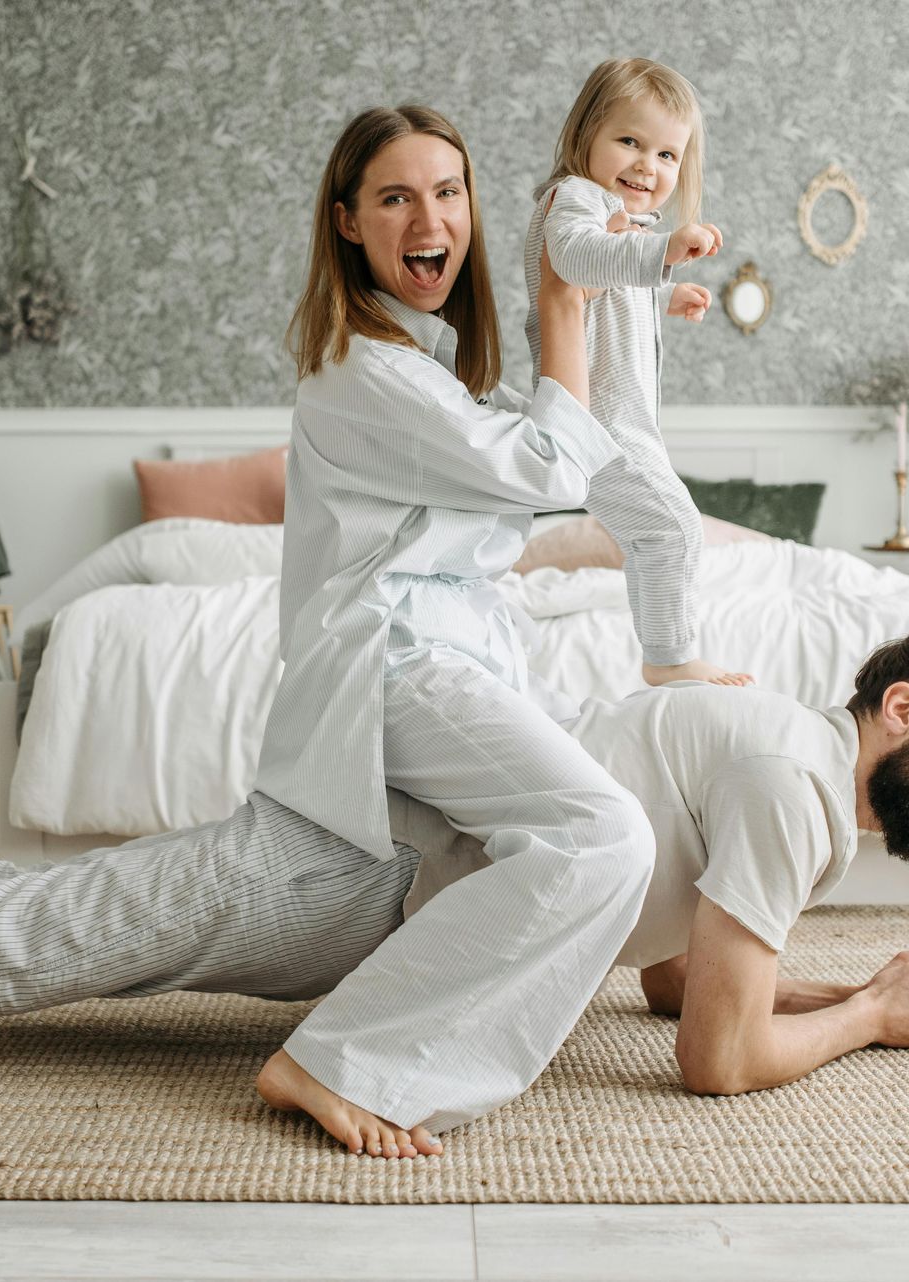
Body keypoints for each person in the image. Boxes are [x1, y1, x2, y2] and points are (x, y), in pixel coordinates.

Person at [0, 627, 909, 1154]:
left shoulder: (784, 770)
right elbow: (714, 1061)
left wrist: (837, 990)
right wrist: (866, 1023)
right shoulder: (800, 776)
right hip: (354, 871)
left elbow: (667, 982)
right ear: (901, 710)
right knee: (1, 944)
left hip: (383, 888)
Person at [249, 105, 656, 1154]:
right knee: (605, 834)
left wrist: (614, 293)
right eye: (394, 196)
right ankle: (334, 1058)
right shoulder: (366, 373)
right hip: (396, 660)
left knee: (593, 820)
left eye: (448, 192)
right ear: (346, 222)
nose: (429, 217)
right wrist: (562, 296)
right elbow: (548, 469)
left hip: (453, 657)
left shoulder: (434, 368)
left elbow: (564, 432)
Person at [524, 57, 744, 689]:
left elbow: (607, 281)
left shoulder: (619, 222)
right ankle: (669, 657)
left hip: (623, 419)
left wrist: (661, 295)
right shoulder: (575, 199)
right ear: (585, 135)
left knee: (660, 530)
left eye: (668, 155)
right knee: (673, 526)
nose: (649, 166)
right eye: (630, 141)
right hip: (595, 417)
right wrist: (664, 252)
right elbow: (574, 256)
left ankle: (667, 652)